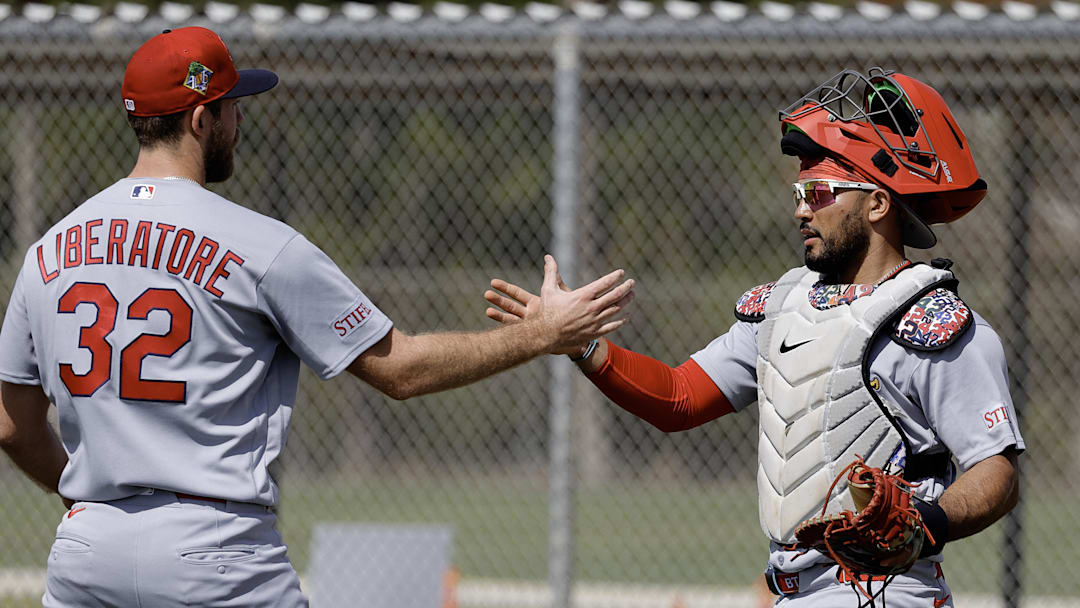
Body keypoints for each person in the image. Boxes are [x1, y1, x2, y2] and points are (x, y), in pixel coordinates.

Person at [0, 27, 634, 607]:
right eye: (232, 105)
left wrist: (92, 503)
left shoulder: (49, 251)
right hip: (214, 555)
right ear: (201, 118)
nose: (239, 118)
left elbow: (11, 426)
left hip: (86, 556)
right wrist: (542, 332)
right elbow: (402, 370)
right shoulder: (259, 245)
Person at [485, 68, 1023, 607]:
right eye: (798, 191)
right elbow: (678, 396)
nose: (800, 209)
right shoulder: (783, 306)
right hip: (791, 592)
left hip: (884, 591)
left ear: (877, 204)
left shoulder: (934, 320)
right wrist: (577, 342)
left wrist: (928, 521)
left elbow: (996, 470)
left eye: (818, 191)